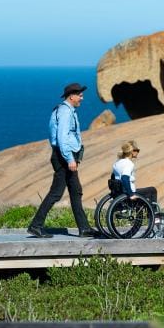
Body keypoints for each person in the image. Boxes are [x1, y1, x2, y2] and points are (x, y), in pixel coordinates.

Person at [27, 83, 98, 238]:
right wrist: (69, 158)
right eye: (80, 95)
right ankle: (35, 225)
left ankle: (84, 228)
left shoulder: (65, 110)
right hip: (63, 157)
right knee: (56, 192)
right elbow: (62, 137)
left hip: (64, 156)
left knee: (75, 191)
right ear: (71, 96)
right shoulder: (65, 112)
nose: (82, 98)